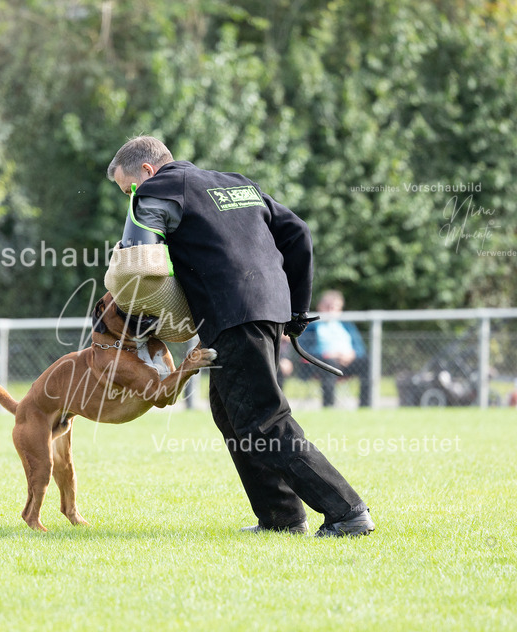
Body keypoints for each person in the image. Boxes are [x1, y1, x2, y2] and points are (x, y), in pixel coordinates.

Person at [106, 136, 373, 538]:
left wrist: (147, 312)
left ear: (146, 170)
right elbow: (297, 232)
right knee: (231, 413)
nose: (131, 198)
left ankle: (347, 511)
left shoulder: (157, 188)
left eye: (129, 189)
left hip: (234, 312)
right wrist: (295, 310)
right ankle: (281, 517)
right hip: (260, 307)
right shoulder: (235, 183)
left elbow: (139, 259)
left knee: (263, 421)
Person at [294, 290, 371, 408]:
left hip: (347, 363)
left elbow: (360, 348)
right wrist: (328, 355)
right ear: (320, 307)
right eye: (327, 307)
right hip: (320, 364)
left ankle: (365, 405)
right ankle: (329, 405)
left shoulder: (347, 326)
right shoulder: (310, 327)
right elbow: (302, 349)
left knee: (368, 362)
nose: (331, 310)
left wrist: (351, 355)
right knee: (329, 363)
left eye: (334, 307)